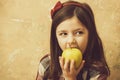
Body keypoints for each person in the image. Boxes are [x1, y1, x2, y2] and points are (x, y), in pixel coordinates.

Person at [36, 1, 110, 80]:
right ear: (55, 37)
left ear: (90, 34)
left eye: (79, 33)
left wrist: (70, 78)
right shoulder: (46, 64)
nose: (71, 41)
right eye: (64, 34)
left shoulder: (97, 72)